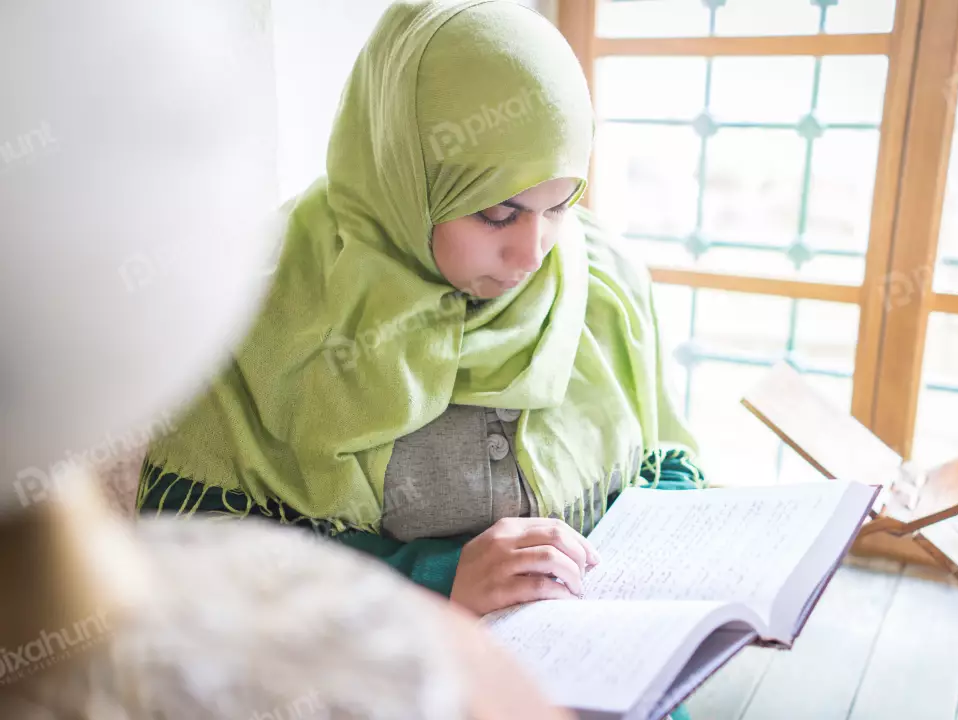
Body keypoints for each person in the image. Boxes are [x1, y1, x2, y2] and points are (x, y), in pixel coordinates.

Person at [137, 0, 705, 622]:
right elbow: (189, 555)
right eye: (497, 213)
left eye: (560, 205)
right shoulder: (261, 302)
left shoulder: (603, 280)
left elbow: (666, 473)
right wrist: (428, 578)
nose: (533, 252)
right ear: (404, 170)